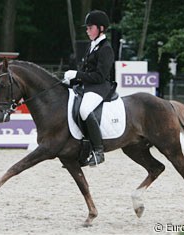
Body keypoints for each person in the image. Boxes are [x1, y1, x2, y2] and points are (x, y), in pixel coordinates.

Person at [62, 10, 115, 167]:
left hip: (100, 87)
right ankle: (82, 149)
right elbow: (86, 72)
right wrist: (71, 80)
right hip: (88, 86)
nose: (87, 31)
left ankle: (98, 151)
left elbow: (99, 76)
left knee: (84, 110)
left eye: (90, 28)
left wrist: (77, 74)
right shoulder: (92, 46)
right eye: (87, 28)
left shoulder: (106, 48)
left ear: (101, 28)